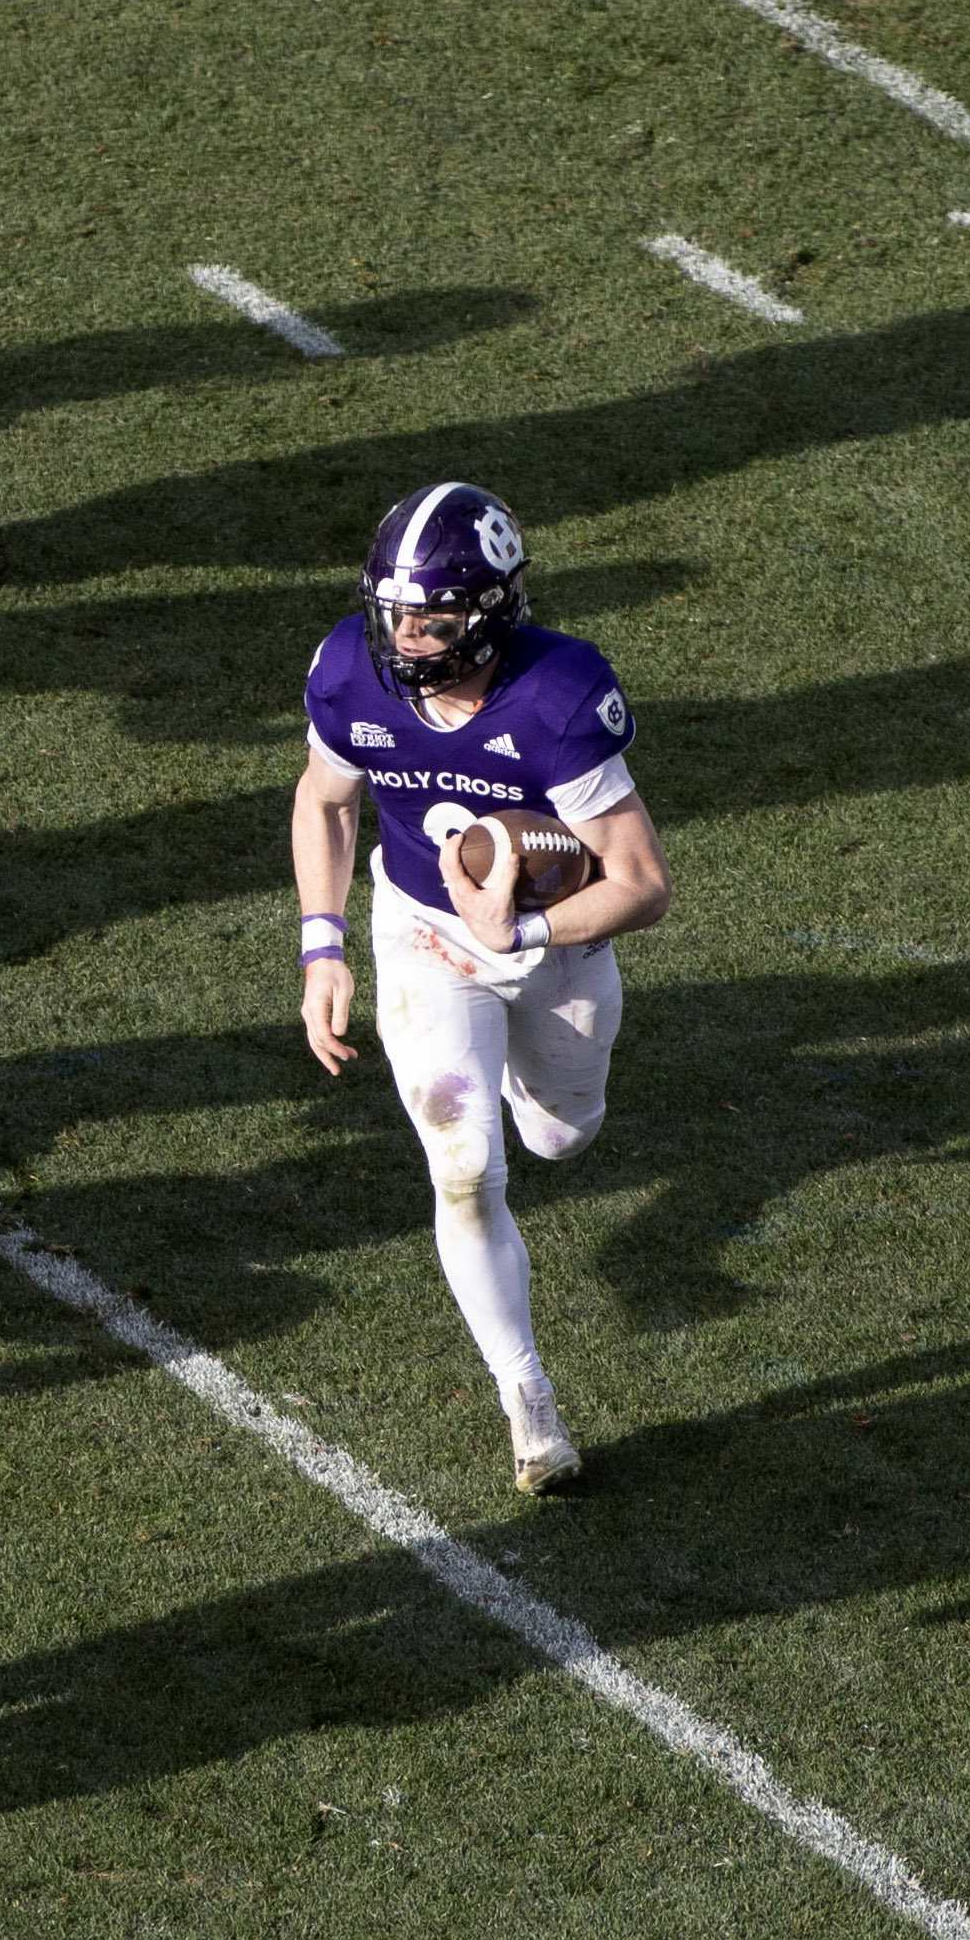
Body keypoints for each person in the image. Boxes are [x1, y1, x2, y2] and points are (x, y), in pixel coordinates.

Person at [287, 482, 673, 1493]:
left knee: (560, 1135)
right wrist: (321, 946)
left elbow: (640, 882)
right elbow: (325, 801)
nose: (407, 636)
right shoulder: (347, 671)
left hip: (555, 945)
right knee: (463, 1168)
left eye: (435, 616)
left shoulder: (556, 695)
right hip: (420, 930)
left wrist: (529, 925)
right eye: (394, 612)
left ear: (493, 609)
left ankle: (523, 1074)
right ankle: (527, 1399)